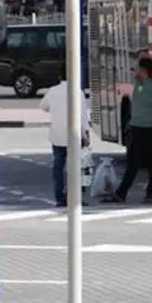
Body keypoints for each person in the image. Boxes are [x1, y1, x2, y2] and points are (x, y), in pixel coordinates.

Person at [104, 56, 152, 204]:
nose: (136, 70)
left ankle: (150, 193)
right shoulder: (137, 81)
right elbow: (143, 56)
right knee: (133, 163)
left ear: (145, 70)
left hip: (150, 128)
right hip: (136, 128)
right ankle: (121, 193)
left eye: (139, 68)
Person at [39, 64, 91, 207]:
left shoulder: (53, 91)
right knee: (76, 167)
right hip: (74, 136)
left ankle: (59, 197)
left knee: (59, 167)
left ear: (59, 76)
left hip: (57, 135)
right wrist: (86, 134)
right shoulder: (77, 92)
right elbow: (83, 116)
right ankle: (75, 196)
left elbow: (43, 107)